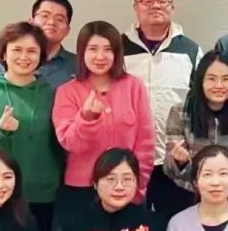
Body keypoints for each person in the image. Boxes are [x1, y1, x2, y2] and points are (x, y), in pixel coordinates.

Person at [0, 22, 62, 231]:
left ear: (41, 56)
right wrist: (0, 130)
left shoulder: (51, 93)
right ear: (3, 54)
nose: (24, 57)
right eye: (16, 50)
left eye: (31, 51)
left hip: (44, 194)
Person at [121, 0, 204, 223]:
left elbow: (200, 102)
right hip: (130, 157)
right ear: (135, 7)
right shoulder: (118, 48)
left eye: (162, 0)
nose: (155, 5)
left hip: (175, 158)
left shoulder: (190, 50)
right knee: (131, 225)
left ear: (172, 7)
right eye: (146, 1)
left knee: (176, 224)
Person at [52, 21, 153, 212]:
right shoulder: (66, 92)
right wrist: (86, 118)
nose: (100, 56)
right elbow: (69, 142)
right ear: (82, 52)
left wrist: (137, 187)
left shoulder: (134, 87)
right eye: (92, 49)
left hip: (126, 190)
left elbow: (145, 144)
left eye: (108, 49)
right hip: (82, 190)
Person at [162, 51, 228, 215]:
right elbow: (169, 169)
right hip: (188, 196)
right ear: (201, 81)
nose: (219, 85)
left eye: (226, 79)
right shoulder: (180, 112)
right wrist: (179, 162)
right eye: (211, 79)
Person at [53, 148, 166, 231]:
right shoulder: (74, 221)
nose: (119, 187)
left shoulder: (153, 223)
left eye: (127, 179)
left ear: (137, 183)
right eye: (110, 179)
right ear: (95, 183)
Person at [0, 0, 77, 88]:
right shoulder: (9, 61)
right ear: (31, 22)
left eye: (59, 19)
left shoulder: (78, 66)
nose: (51, 22)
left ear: (67, 30)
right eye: (45, 15)